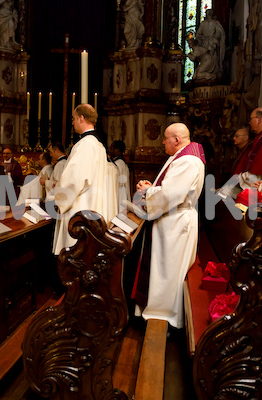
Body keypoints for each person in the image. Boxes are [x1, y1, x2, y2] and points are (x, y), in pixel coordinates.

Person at [131, 123, 206, 329]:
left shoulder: (187, 161)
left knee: (168, 273)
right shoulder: (183, 157)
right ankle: (157, 314)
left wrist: (148, 192)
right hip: (172, 221)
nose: (162, 142)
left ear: (176, 140)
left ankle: (164, 319)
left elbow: (171, 194)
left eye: (165, 138)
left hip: (175, 224)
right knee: (165, 271)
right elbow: (170, 189)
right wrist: (152, 189)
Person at [51, 104, 116, 255]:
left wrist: (59, 195)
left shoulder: (85, 145)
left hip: (79, 212)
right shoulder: (98, 145)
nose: (72, 122)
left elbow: (74, 180)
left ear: (81, 118)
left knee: (73, 257)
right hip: (90, 206)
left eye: (73, 119)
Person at [232, 107, 262, 188]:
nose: (249, 122)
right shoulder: (259, 136)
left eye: (251, 119)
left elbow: (260, 168)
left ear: (259, 120)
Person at [195, 9, 225, 78]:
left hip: (213, 42)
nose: (208, 14)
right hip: (205, 42)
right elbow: (198, 34)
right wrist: (202, 38)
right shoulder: (203, 24)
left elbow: (219, 33)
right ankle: (206, 70)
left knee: (214, 55)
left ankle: (214, 70)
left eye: (210, 13)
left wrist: (214, 38)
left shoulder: (216, 23)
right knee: (205, 56)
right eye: (207, 13)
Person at [110, 140, 131, 205]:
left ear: (117, 150)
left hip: (119, 194)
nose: (110, 150)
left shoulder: (118, 164)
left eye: (111, 148)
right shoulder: (122, 163)